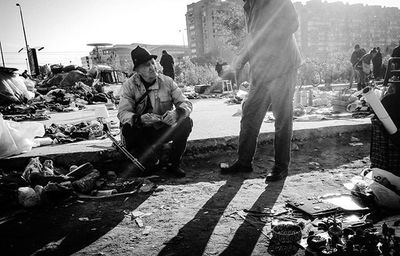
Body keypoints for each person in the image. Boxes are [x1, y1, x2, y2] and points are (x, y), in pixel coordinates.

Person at [220, 0, 301, 182]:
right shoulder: (249, 5)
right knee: (249, 115)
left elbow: (293, 23)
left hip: (283, 67)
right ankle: (244, 162)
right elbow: (253, 39)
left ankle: (281, 167)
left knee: (282, 119)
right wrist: (241, 59)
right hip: (262, 70)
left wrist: (264, 37)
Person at [118, 46, 193, 177]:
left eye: (153, 63)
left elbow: (186, 103)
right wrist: (139, 119)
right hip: (142, 134)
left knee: (186, 121)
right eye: (146, 65)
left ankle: (173, 164)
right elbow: (123, 113)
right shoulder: (129, 85)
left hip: (161, 130)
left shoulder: (167, 81)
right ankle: (151, 163)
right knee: (128, 129)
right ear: (137, 70)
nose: (152, 67)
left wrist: (177, 113)